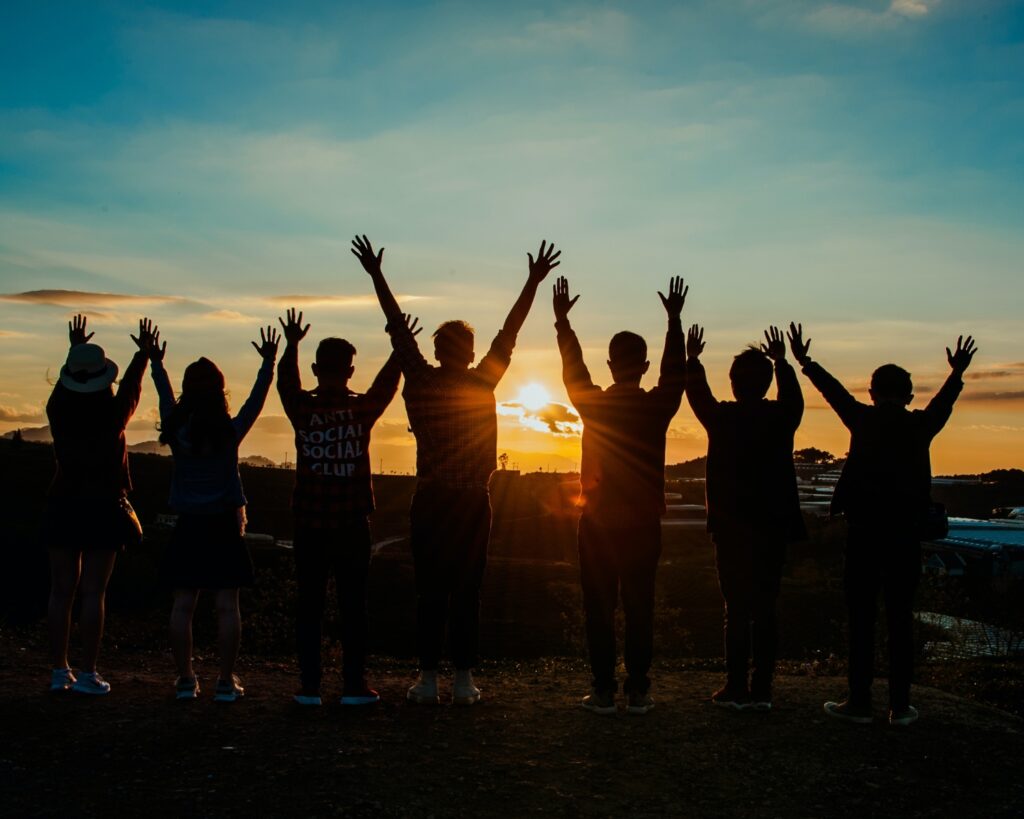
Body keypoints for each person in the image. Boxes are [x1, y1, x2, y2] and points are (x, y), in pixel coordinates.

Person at [352, 234, 561, 706]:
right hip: (470, 503)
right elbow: (510, 331)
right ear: (468, 352)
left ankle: (427, 680)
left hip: (430, 500)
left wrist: (376, 275)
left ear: (438, 348)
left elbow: (396, 328)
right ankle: (464, 680)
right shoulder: (482, 380)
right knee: (468, 591)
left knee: (430, 591)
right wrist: (531, 281)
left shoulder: (421, 380)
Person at [789, 324, 977, 726]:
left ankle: (858, 701)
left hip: (863, 535)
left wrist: (806, 362)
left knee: (861, 618)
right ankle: (900, 705)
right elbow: (943, 403)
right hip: (905, 536)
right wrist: (956, 372)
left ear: (872, 392)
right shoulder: (919, 426)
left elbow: (833, 392)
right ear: (909, 395)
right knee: (900, 618)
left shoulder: (863, 419)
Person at [553, 275, 687, 715]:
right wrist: (674, 322)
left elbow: (574, 372)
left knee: (599, 608)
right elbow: (675, 376)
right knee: (639, 606)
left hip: (597, 522)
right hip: (644, 523)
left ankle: (604, 690)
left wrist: (563, 325)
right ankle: (639, 691)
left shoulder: (594, 404)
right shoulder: (657, 407)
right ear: (643, 365)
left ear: (610, 365)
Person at [277, 307, 414, 707]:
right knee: (354, 606)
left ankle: (309, 686)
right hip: (352, 523)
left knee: (310, 604)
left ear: (317, 368)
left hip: (309, 524)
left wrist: (290, 345)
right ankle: (354, 685)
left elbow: (286, 383)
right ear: (351, 371)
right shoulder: (360, 410)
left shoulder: (302, 410)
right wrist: (398, 348)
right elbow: (387, 385)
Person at [150, 325, 279, 702]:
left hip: (189, 525)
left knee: (183, 604)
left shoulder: (176, 430)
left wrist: (156, 362)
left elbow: (163, 394)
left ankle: (186, 680)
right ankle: (225, 680)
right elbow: (256, 400)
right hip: (224, 525)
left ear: (188, 391)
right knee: (227, 606)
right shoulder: (229, 431)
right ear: (220, 391)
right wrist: (268, 364)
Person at [685, 325, 805, 711]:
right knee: (766, 607)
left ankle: (735, 686)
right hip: (772, 526)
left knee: (735, 609)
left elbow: (697, 395)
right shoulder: (781, 417)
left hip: (731, 528)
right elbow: (794, 400)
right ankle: (762, 689)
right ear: (767, 383)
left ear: (733, 383)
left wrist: (692, 360)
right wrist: (783, 362)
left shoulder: (722, 418)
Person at [44, 314, 156, 695]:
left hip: (64, 501)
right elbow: (132, 390)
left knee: (61, 591)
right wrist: (143, 354)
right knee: (94, 592)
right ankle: (88, 671)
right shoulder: (112, 415)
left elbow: (70, 385)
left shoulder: (57, 409)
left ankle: (59, 670)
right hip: (104, 505)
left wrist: (75, 349)